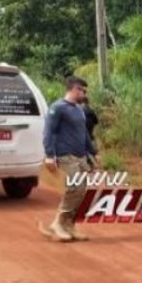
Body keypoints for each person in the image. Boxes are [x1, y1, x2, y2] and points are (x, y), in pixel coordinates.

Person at [42, 76, 98, 242]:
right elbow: (49, 133)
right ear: (74, 89)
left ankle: (69, 225)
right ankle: (58, 223)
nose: (84, 93)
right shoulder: (58, 108)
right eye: (82, 90)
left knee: (81, 191)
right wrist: (50, 156)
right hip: (65, 155)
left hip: (80, 156)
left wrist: (93, 152)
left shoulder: (78, 109)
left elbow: (85, 133)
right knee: (73, 189)